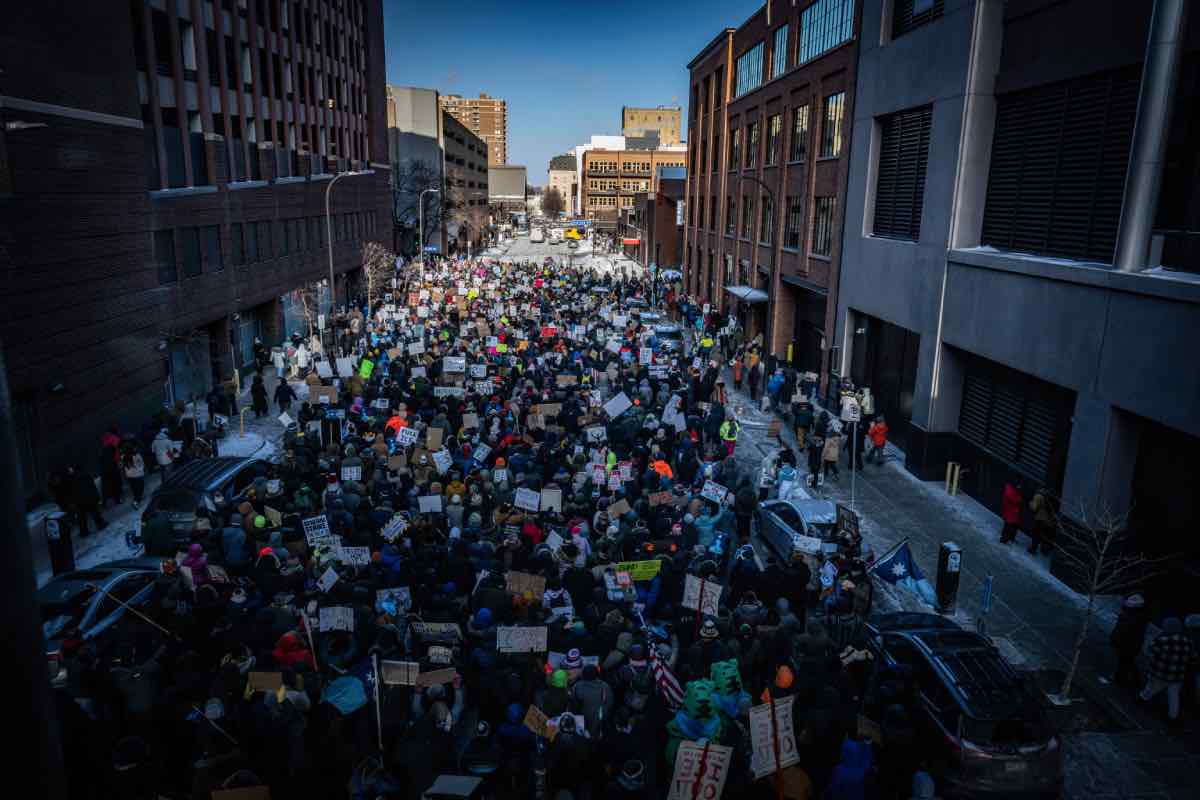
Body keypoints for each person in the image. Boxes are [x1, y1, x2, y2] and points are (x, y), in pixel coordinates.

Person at [1140, 617, 1194, 723]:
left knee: (1150, 689)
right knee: (1174, 696)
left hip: (1160, 673)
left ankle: (1141, 700)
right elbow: (1192, 657)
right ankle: (1173, 717)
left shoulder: (1162, 640)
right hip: (1178, 675)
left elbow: (1149, 651)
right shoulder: (1188, 641)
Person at [1109, 594, 1148, 689]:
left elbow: (1122, 630)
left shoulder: (1131, 616)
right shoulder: (1136, 615)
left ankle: (1123, 679)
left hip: (1127, 644)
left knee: (1125, 661)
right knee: (1126, 661)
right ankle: (1124, 679)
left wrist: (1114, 639)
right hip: (1130, 644)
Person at [66, 463, 105, 537]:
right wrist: (97, 498)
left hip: (79, 502)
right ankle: (100, 524)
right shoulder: (86, 475)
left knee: (81, 517)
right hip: (89, 499)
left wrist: (72, 502)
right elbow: (92, 487)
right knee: (95, 513)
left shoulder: (72, 478)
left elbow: (71, 492)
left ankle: (84, 531)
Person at [1027, 485, 1056, 555]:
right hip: (1047, 519)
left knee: (1036, 534)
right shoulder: (1048, 496)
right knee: (1042, 535)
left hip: (1039, 518)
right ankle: (1044, 551)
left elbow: (1034, 508)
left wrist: (1030, 503)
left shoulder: (1038, 496)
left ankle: (1032, 549)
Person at [999, 479, 1023, 544]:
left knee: (1011, 525)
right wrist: (1019, 498)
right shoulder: (1009, 490)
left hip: (1012, 510)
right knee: (1008, 525)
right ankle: (1004, 539)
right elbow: (1015, 500)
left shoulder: (1010, 489)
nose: (1019, 487)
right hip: (1011, 510)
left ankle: (1008, 538)